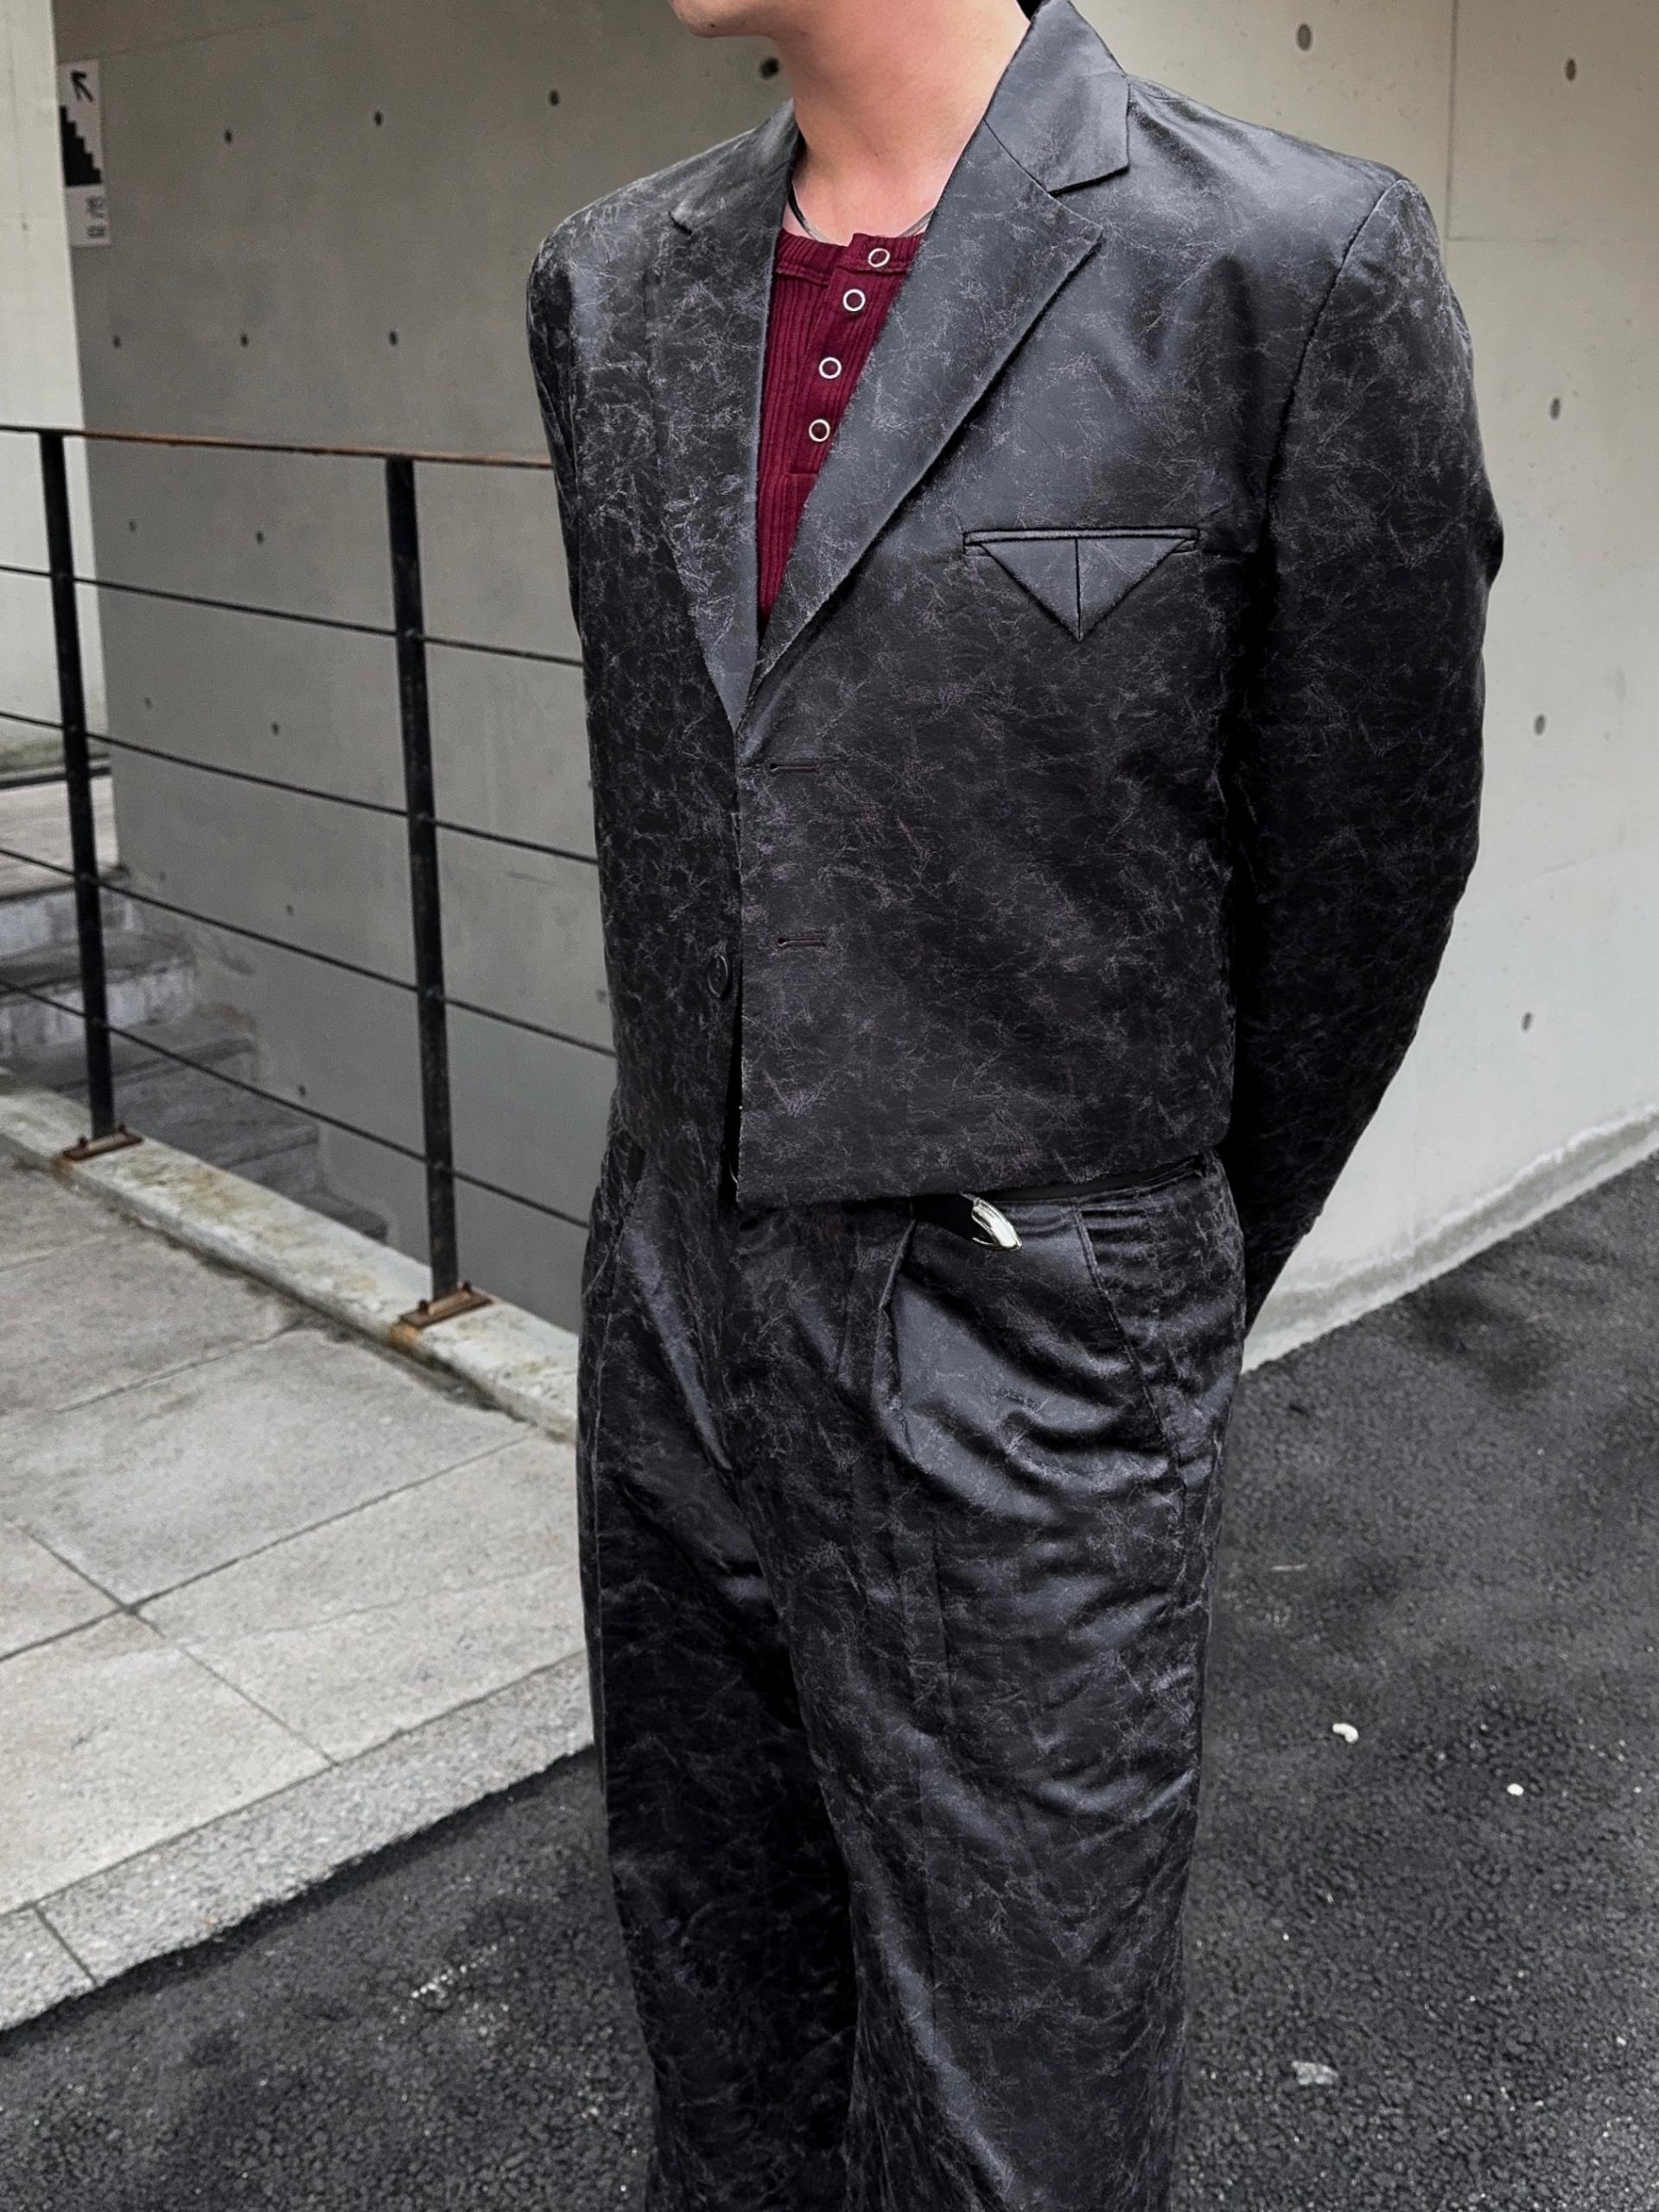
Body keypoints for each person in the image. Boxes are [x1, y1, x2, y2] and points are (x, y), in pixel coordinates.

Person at [524, 0, 1502, 2203]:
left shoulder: (1280, 268)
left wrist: (1125, 1259)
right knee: (720, 2002)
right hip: (680, 1291)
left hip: (1031, 1325)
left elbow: (1364, 862)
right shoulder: (607, 285)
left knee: (1017, 2111)